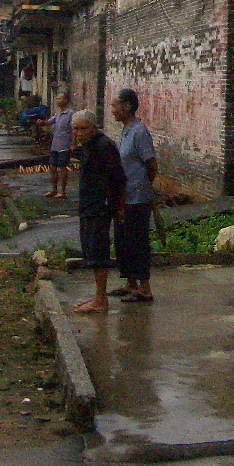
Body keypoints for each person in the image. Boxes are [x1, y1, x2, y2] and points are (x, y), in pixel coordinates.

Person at [71, 109, 125, 315]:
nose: (79, 133)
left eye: (83, 128)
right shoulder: (88, 146)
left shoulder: (104, 146)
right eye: (75, 129)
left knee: (99, 251)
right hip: (88, 203)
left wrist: (117, 205)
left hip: (100, 205)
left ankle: (101, 299)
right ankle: (97, 296)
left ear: (93, 127)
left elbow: (118, 177)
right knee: (91, 251)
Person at [111, 88, 158, 303]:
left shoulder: (139, 132)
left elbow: (151, 165)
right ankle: (130, 283)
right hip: (124, 196)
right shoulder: (126, 130)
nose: (112, 110)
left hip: (137, 197)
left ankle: (145, 288)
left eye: (114, 106)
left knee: (138, 241)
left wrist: (144, 187)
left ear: (127, 106)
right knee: (123, 240)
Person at [42, 90, 74, 199]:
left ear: (65, 101)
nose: (57, 101)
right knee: (52, 167)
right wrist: (40, 122)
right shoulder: (58, 114)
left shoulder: (70, 114)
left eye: (60, 99)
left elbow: (74, 130)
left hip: (64, 145)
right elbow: (49, 122)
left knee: (63, 168)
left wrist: (73, 144)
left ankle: (63, 191)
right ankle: (53, 189)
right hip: (55, 145)